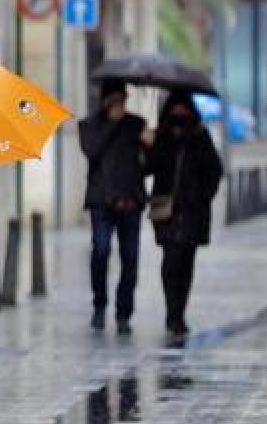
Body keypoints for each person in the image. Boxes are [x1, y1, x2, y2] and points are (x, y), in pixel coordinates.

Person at [147, 90, 223, 341]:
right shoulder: (162, 137)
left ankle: (179, 313)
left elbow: (214, 171)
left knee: (186, 263)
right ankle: (172, 312)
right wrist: (150, 143)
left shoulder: (201, 137)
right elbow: (149, 167)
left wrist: (202, 197)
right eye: (175, 109)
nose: (179, 114)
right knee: (171, 262)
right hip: (167, 210)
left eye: (184, 109)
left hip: (192, 212)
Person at [77, 79, 150, 334]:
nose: (120, 105)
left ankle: (123, 313)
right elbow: (92, 151)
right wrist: (111, 123)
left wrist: (150, 144)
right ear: (105, 101)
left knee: (130, 259)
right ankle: (99, 305)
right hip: (102, 203)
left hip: (130, 202)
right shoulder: (89, 126)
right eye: (115, 100)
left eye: (123, 100)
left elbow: (148, 165)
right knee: (100, 251)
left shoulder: (136, 125)